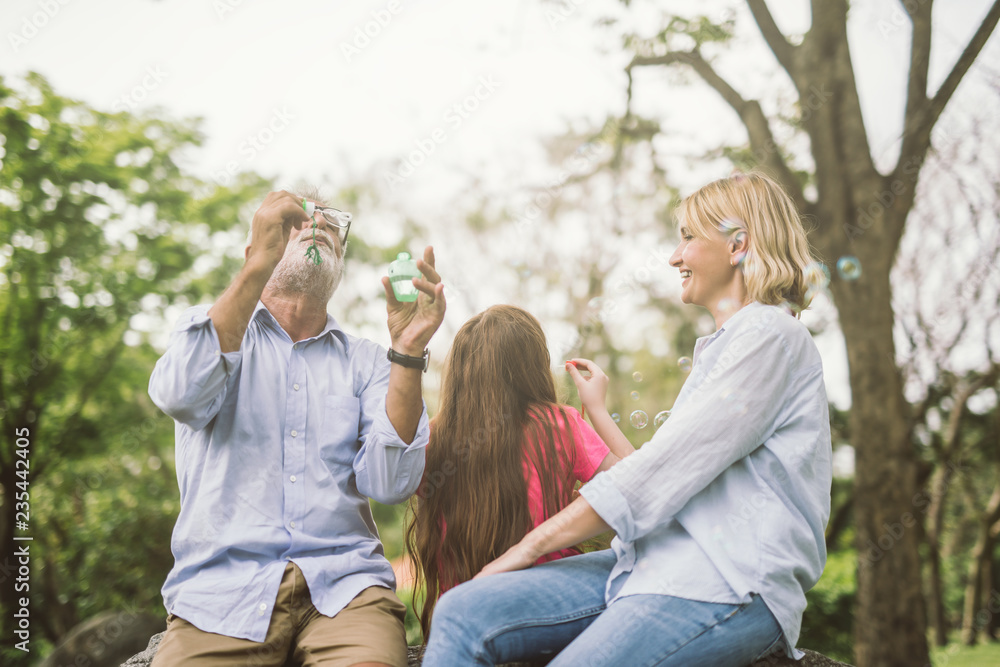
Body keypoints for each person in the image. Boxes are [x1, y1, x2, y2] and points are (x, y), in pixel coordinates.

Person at [422, 171, 833, 666]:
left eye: (687, 238)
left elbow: (652, 475)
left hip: (728, 581)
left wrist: (524, 551)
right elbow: (661, 473)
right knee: (461, 610)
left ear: (738, 246)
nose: (674, 256)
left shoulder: (769, 337)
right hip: (651, 562)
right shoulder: (725, 348)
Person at [148, 189, 446, 667]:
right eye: (300, 218)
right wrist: (256, 264)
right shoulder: (208, 329)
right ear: (263, 240)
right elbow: (180, 396)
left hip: (347, 592)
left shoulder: (371, 362)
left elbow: (391, 485)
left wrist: (408, 351)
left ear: (341, 264)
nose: (319, 225)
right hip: (218, 596)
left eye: (332, 224)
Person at [405, 304, 635, 639]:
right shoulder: (558, 423)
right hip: (550, 610)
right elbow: (639, 484)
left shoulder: (433, 438)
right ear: (530, 367)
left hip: (468, 617)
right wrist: (596, 407)